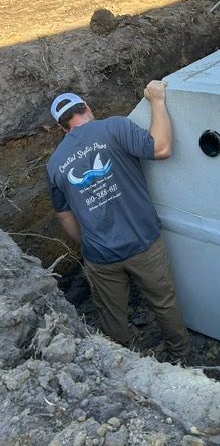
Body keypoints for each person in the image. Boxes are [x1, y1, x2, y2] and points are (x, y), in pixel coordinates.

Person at [46, 80, 189, 362]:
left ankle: (122, 366)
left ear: (62, 128)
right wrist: (157, 101)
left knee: (113, 320)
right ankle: (181, 359)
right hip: (143, 243)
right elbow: (160, 148)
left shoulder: (54, 164)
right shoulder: (114, 127)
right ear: (86, 107)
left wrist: (88, 243)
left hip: (100, 258)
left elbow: (64, 215)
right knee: (163, 304)